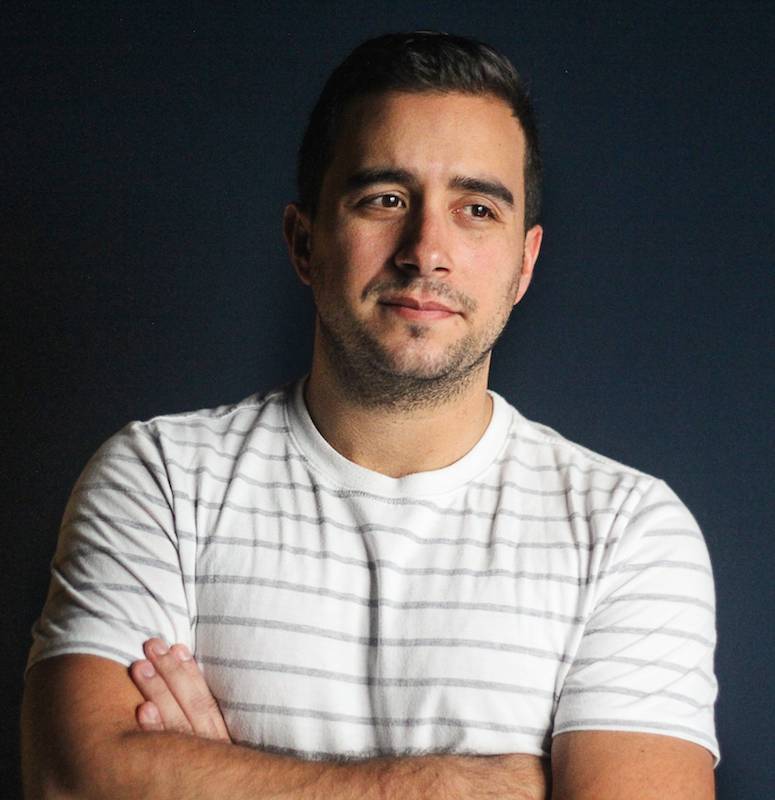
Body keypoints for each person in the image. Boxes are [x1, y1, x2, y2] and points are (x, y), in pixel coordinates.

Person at [21, 31, 718, 799]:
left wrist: (204, 776)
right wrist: (467, 785)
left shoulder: (626, 530)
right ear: (304, 242)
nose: (425, 251)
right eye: (384, 199)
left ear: (524, 263)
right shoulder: (161, 478)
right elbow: (72, 781)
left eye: (476, 208)